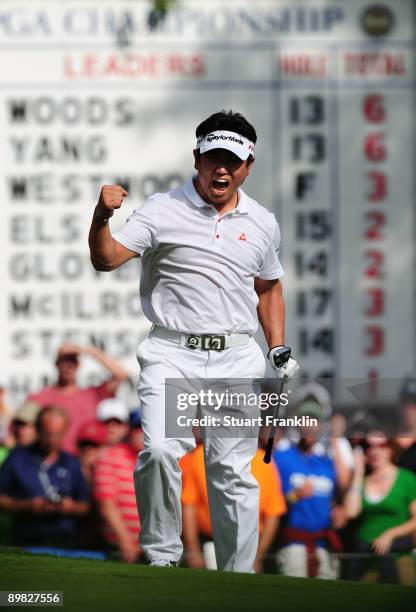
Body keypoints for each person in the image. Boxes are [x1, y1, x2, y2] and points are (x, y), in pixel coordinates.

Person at [88, 109, 298, 572]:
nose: (220, 167)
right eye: (212, 157)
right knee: (161, 451)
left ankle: (237, 577)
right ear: (197, 158)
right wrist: (102, 215)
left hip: (237, 357)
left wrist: (277, 346)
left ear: (248, 165)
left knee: (232, 474)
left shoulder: (262, 222)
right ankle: (163, 560)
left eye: (231, 159)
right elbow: (106, 259)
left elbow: (269, 287)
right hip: (171, 352)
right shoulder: (163, 209)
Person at [181, 442, 286, 572]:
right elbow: (189, 503)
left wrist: (258, 556)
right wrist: (193, 548)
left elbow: (273, 513)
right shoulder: (200, 455)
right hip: (208, 542)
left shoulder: (264, 460)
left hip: (249, 544)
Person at [0, 406, 90, 548]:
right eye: (47, 434)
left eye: (57, 435)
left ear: (65, 432)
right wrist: (29, 506)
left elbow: (86, 506)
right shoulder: (18, 457)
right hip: (25, 541)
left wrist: (70, 507)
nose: (51, 440)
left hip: (65, 543)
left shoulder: (72, 463)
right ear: (37, 429)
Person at [273, 402, 341, 579]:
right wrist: (295, 495)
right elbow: (269, 500)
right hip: (293, 544)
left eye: (314, 421)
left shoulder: (326, 463)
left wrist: (338, 511)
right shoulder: (282, 458)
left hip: (323, 544)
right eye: (305, 421)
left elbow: (334, 499)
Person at [27, 343, 129, 455]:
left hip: (85, 460)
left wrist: (89, 351)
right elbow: (24, 429)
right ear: (57, 364)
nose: (68, 366)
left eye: (72, 362)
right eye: (64, 362)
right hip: (52, 460)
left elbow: (121, 375)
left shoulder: (91, 395)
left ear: (78, 365)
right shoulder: (41, 397)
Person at [344, 434, 416, 584]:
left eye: (381, 445)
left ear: (391, 448)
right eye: (369, 446)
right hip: (366, 558)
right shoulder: (362, 481)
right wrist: (357, 473)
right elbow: (351, 512)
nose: (375, 451)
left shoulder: (407, 479)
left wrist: (390, 534)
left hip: (398, 555)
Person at [93, 413, 144, 563]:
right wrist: (125, 541)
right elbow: (106, 504)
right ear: (129, 430)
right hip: (119, 548)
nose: (142, 432)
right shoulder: (109, 456)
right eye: (138, 428)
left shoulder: (160, 461)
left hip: (152, 549)